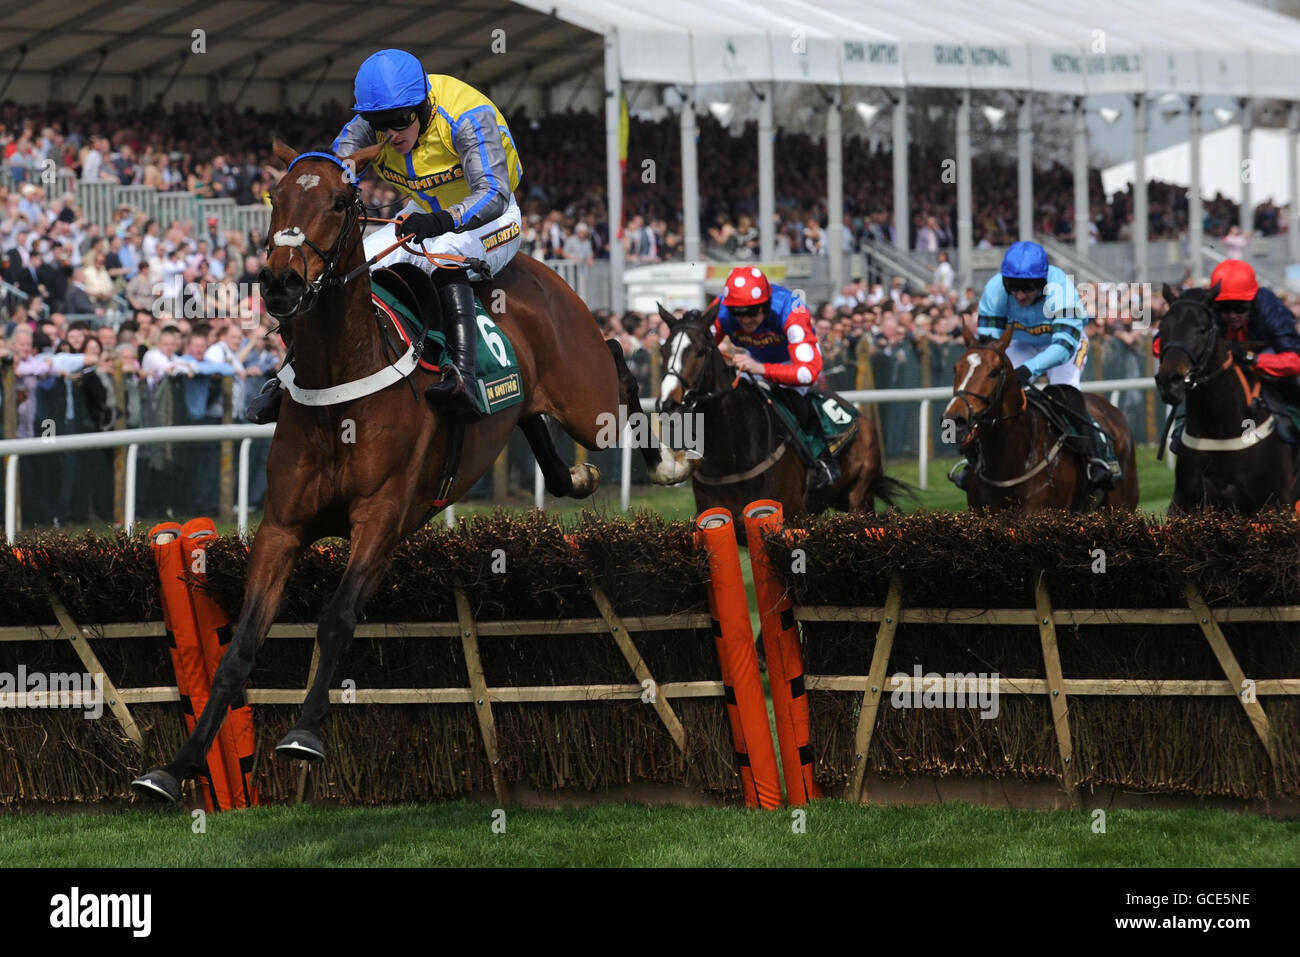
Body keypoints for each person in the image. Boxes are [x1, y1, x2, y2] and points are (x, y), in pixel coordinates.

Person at [952, 240, 1116, 491]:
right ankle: (972, 458)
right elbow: (988, 349)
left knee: (1064, 390)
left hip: (1065, 343)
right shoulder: (995, 290)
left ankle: (1096, 458)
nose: (1020, 295)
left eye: (1028, 288)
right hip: (1021, 343)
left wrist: (1028, 371)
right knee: (994, 394)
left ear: (1042, 282)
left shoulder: (1061, 288)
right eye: (1014, 288)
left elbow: (1062, 348)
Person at [707, 265, 840, 490]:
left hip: (793, 362)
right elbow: (699, 345)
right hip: (752, 358)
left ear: (766, 306)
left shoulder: (791, 310)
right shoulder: (721, 309)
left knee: (796, 401)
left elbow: (807, 373)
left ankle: (823, 461)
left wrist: (761, 369)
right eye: (738, 313)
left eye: (752, 311)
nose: (745, 320)